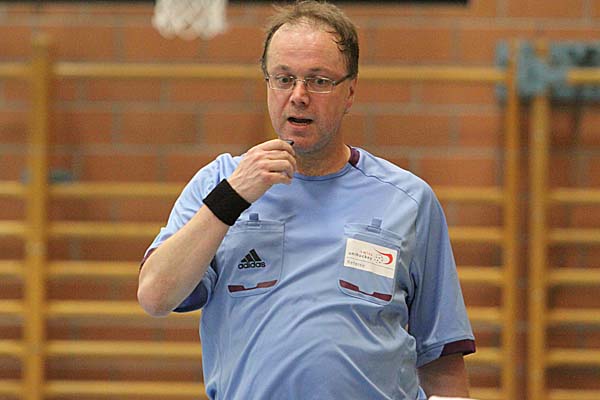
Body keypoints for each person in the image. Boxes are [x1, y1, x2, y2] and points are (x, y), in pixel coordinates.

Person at [137, 1, 475, 399]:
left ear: (350, 92)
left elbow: (442, 361)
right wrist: (233, 197)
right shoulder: (219, 184)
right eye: (284, 79)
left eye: (319, 81)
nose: (298, 96)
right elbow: (155, 296)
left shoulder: (408, 200)